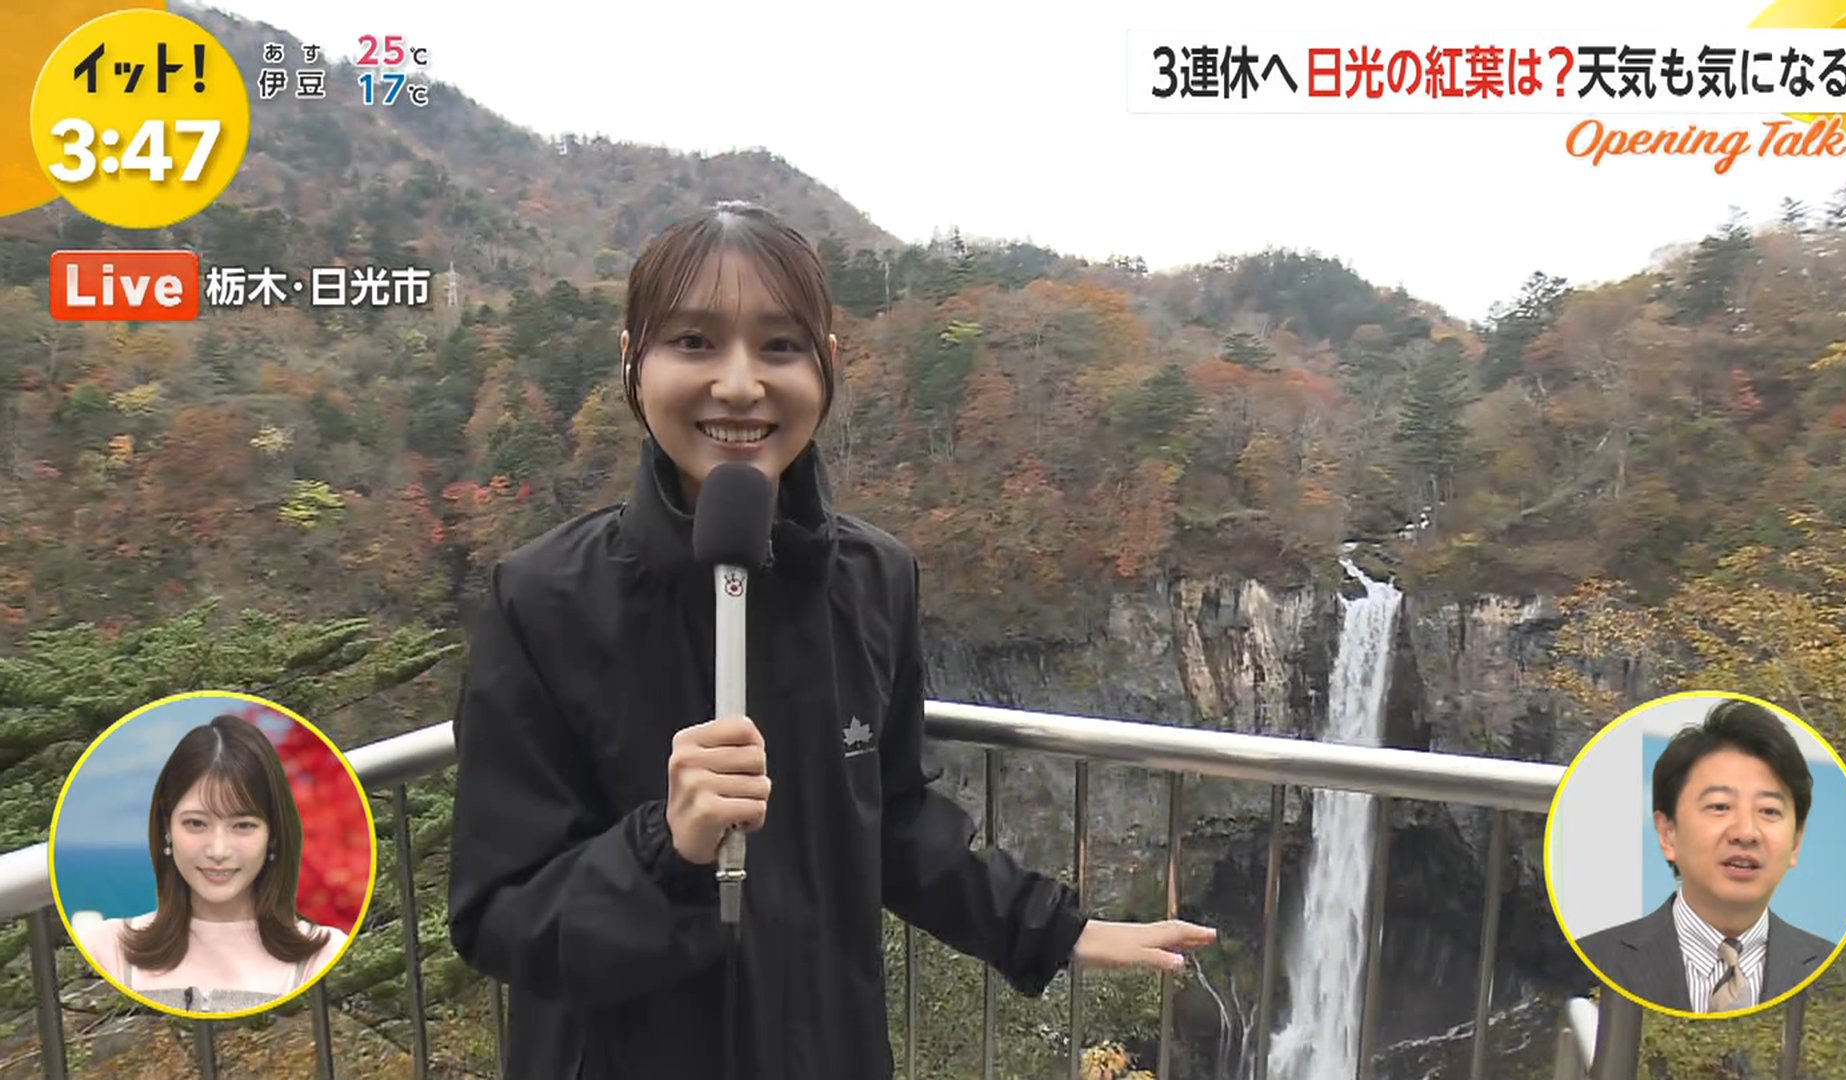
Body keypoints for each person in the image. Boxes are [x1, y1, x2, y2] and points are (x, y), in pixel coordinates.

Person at [446, 201, 1216, 1079]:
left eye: (780, 345)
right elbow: (498, 914)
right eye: (694, 342)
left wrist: (1054, 930)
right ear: (632, 362)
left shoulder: (874, 582)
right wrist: (666, 846)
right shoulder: (542, 601)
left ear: (828, 366)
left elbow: (895, 820)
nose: (740, 385)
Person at [1574, 699, 1839, 1014]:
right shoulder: (1598, 957)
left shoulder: (1830, 973)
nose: (1746, 832)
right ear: (1668, 833)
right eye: (1719, 806)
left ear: (1796, 842)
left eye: (1769, 811)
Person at [75, 714, 348, 1013]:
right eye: (196, 823)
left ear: (273, 833)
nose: (218, 850)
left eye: (243, 825)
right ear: (166, 825)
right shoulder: (108, 949)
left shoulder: (323, 955)